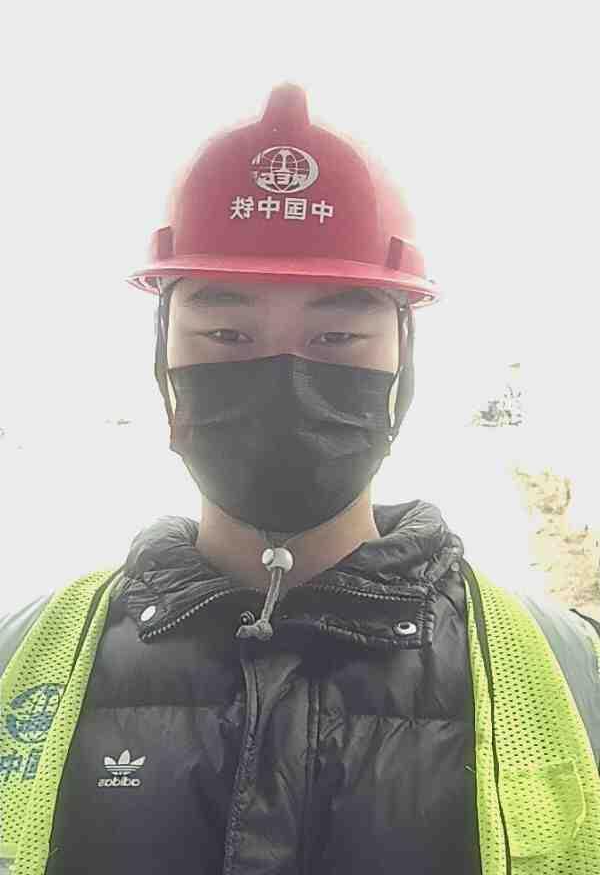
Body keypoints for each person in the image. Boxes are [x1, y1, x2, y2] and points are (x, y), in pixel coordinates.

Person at [1, 83, 600, 875]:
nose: (283, 374)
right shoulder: (24, 663)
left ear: (403, 365)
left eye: (337, 337)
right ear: (163, 362)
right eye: (227, 334)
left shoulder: (567, 674)